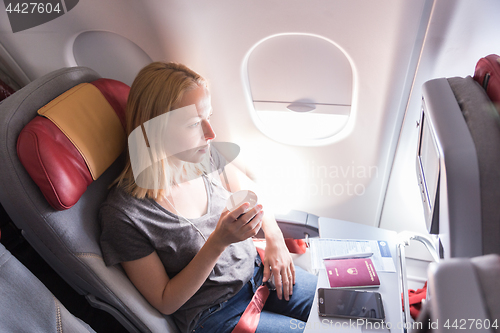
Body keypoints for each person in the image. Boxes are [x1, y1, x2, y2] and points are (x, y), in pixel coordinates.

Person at [99, 61, 317, 333]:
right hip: (217, 314)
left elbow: (254, 192)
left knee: (345, 311)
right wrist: (218, 242)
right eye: (193, 124)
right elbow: (165, 301)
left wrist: (274, 240)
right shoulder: (125, 215)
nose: (210, 134)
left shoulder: (203, 158)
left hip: (258, 273)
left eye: (208, 117)